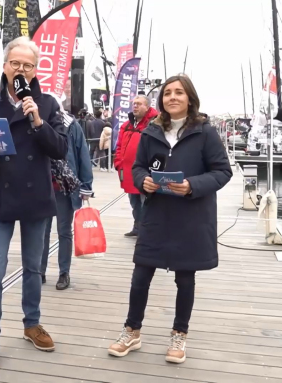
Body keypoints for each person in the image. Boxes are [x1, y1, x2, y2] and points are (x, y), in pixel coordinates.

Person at [108, 75, 232, 364]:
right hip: (156, 215)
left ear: (190, 98)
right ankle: (132, 330)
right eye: (167, 93)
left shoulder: (205, 132)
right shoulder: (152, 132)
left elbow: (223, 171)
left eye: (178, 93)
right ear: (161, 100)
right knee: (140, 276)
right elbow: (138, 167)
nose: (172, 97)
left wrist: (192, 185)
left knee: (185, 279)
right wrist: (143, 182)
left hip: (191, 217)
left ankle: (179, 334)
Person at [0, 36, 67, 373]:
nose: (21, 69)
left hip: (36, 196)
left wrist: (37, 121)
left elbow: (60, 148)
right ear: (5, 66)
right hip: (0, 197)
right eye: (16, 63)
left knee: (34, 268)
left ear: (36, 70)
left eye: (28, 65)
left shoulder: (49, 103)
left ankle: (31, 324)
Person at [41, 93, 93, 290]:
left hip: (65, 187)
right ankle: (40, 270)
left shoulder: (72, 125)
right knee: (41, 232)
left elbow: (82, 154)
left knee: (64, 231)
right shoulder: (36, 123)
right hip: (42, 187)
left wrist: (86, 185)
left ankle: (64, 272)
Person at [114, 95, 158, 237]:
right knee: (134, 202)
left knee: (147, 202)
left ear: (147, 107)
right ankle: (138, 226)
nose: (135, 106)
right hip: (127, 171)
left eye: (139, 104)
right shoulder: (126, 125)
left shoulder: (155, 124)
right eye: (134, 104)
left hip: (146, 172)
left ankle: (147, 229)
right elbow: (119, 146)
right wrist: (119, 163)